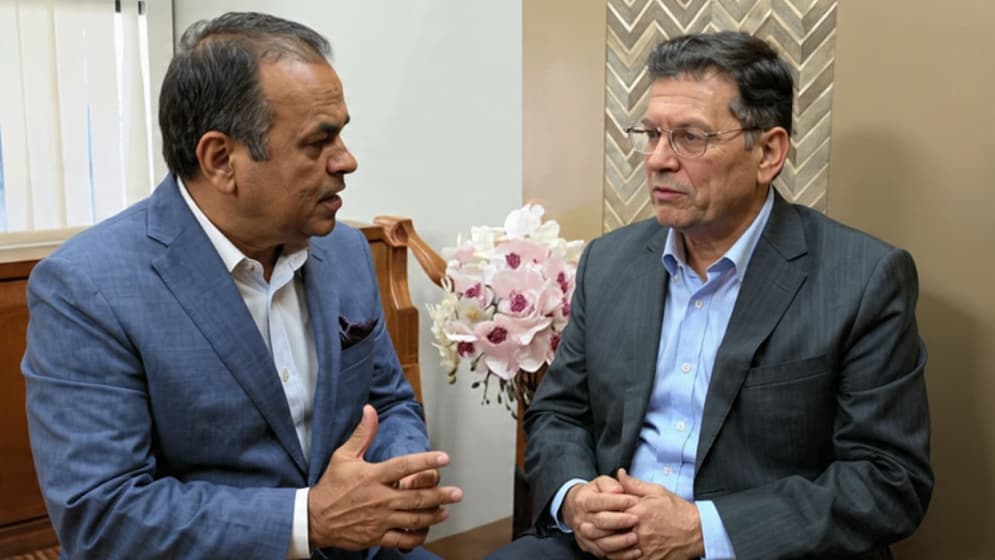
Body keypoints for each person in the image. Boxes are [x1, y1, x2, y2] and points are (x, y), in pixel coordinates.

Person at [22, 12, 461, 560]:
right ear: (221, 160)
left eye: (342, 133)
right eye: (318, 141)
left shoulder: (345, 250)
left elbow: (388, 401)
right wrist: (309, 521)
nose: (347, 160)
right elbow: (103, 517)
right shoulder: (86, 288)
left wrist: (401, 474)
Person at [487, 31, 932, 560]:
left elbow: (889, 479)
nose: (657, 159)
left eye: (690, 137)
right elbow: (558, 413)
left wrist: (704, 530)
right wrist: (576, 498)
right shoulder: (610, 262)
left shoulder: (862, 279)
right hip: (608, 545)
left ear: (768, 152)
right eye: (652, 134)